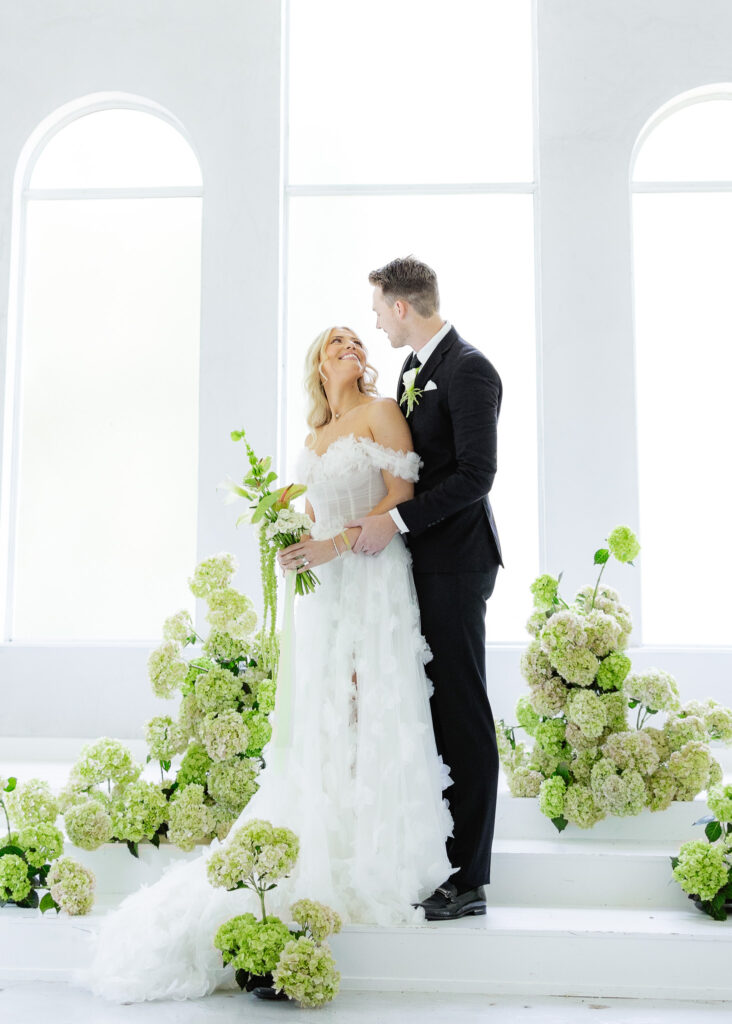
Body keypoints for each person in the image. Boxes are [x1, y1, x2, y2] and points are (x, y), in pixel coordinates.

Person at [78, 325, 454, 1002]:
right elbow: (312, 511)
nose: (350, 344)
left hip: (371, 576)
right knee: (325, 709)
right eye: (335, 340)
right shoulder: (314, 439)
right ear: (318, 362)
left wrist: (334, 545)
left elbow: (400, 500)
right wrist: (288, 534)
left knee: (370, 699)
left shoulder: (382, 411)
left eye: (355, 338)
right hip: (326, 587)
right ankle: (328, 825)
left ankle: (373, 846)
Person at [348, 256, 503, 922]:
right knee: (433, 708)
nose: (376, 320)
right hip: (419, 563)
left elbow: (476, 476)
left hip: (459, 562)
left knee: (462, 708)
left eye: (379, 308)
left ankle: (469, 879)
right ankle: (435, 859)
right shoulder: (414, 372)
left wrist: (397, 519)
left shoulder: (469, 369)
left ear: (403, 308)